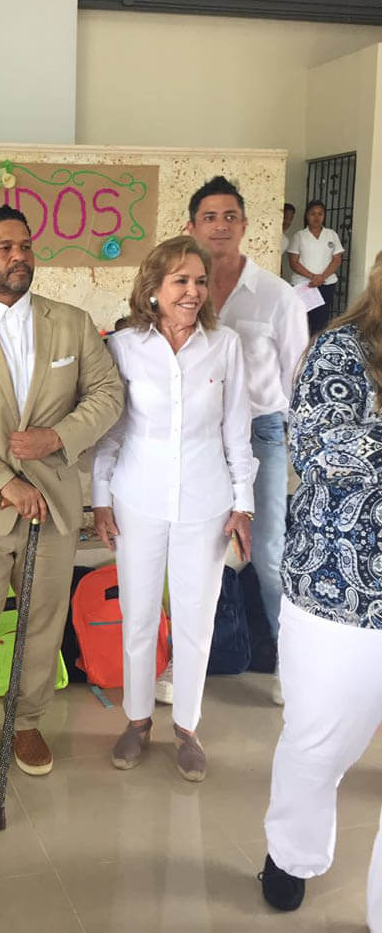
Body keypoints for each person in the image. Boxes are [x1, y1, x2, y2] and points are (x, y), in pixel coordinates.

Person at [0, 205, 124, 795]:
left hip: (55, 505)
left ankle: (27, 722)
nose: (19, 257)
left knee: (42, 623)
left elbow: (108, 393)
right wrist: (3, 482)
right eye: (5, 248)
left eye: (26, 246)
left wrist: (57, 437)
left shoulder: (72, 323)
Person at [92, 236, 255, 782]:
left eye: (200, 281)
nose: (192, 292)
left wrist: (243, 503)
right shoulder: (124, 346)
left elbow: (237, 431)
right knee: (138, 615)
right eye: (180, 281)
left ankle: (187, 727)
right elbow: (111, 432)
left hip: (206, 501)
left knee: (195, 620)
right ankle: (137, 721)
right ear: (154, 289)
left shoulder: (225, 345)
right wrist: (100, 499)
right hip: (137, 497)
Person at [260, 254, 382, 930]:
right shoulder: (342, 351)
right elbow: (320, 449)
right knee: (318, 746)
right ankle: (292, 853)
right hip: (342, 595)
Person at [187, 176, 308, 704]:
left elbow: (298, 379)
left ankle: (290, 665)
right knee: (193, 551)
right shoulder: (179, 288)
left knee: (268, 552)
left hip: (260, 433)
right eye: (210, 217)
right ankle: (187, 663)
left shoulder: (278, 297)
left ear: (245, 225)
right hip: (196, 434)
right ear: (191, 226)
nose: (220, 225)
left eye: (230, 216)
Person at [287, 200, 344, 335]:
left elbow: (337, 259)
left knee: (321, 323)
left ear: (324, 216)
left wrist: (321, 278)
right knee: (301, 321)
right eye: (313, 214)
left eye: (320, 214)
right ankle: (301, 348)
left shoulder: (331, 234)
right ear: (307, 215)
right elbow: (293, 262)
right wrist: (313, 277)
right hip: (304, 285)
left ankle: (315, 347)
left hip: (326, 284)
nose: (316, 217)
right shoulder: (299, 236)